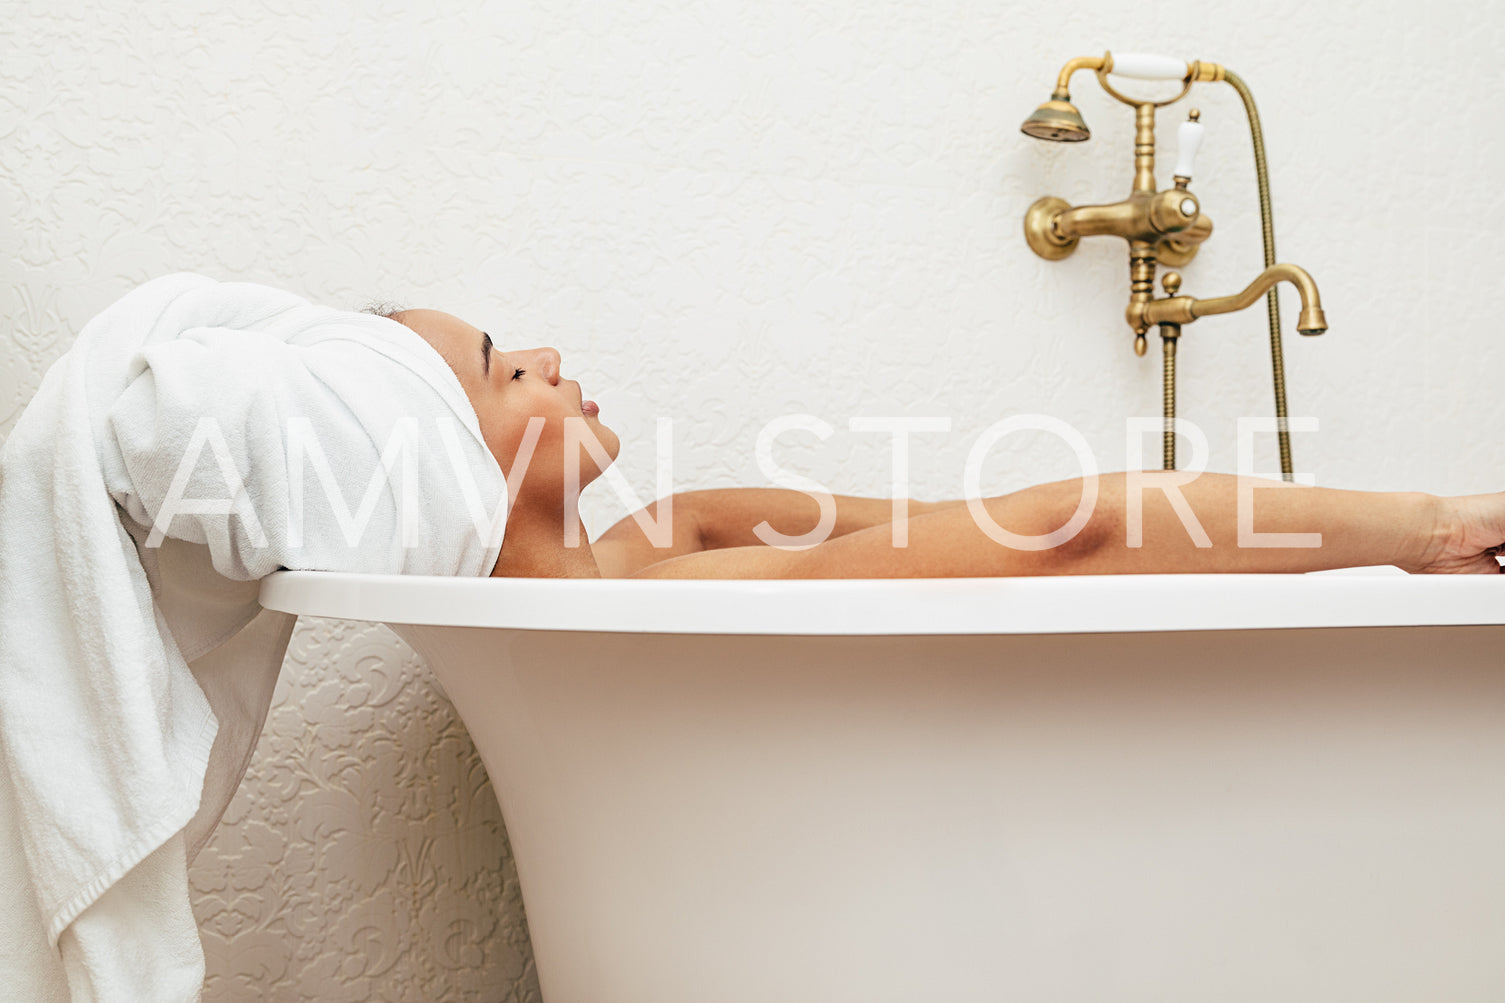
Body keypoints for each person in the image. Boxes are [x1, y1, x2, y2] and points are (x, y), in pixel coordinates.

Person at [390, 308, 1505, 581]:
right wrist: (1429, 530)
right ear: (450, 466)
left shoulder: (627, 558)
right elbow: (1079, 527)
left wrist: (932, 540)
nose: (538, 352)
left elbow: (698, 517)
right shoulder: (641, 600)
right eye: (502, 372)